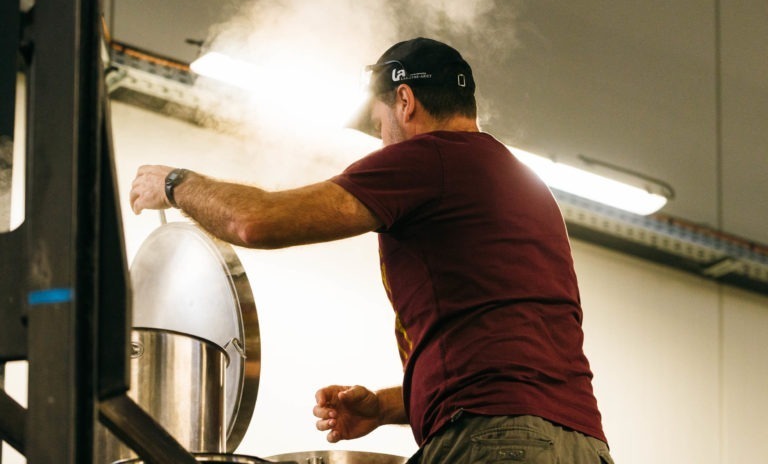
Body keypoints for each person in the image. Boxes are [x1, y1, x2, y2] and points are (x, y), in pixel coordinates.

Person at [129, 37, 613, 463]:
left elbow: (257, 221)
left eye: (379, 124)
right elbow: (502, 354)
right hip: (583, 446)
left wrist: (175, 184)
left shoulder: (432, 158)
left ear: (405, 100)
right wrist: (382, 406)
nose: (381, 142)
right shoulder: (524, 187)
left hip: (497, 442)